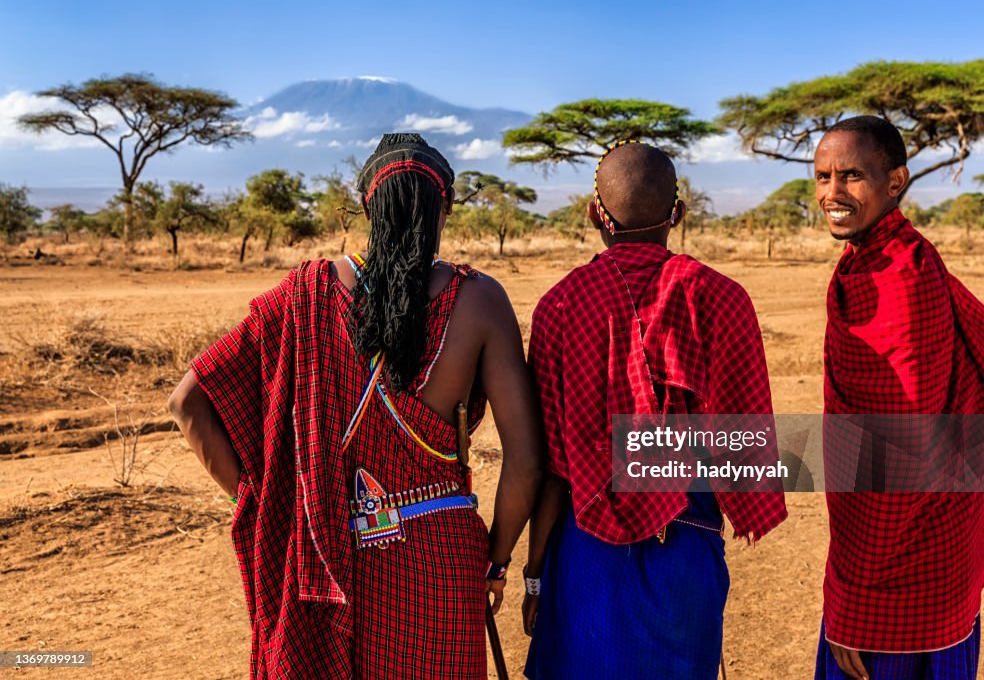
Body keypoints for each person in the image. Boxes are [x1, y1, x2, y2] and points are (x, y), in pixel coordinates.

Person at [167, 133, 543, 679]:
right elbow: (527, 461)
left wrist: (272, 505)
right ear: (447, 207)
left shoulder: (307, 292)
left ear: (366, 205)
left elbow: (186, 403)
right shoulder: (480, 299)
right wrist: (498, 560)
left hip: (331, 552)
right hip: (443, 558)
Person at [521, 141, 788, 679]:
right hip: (686, 542)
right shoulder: (722, 296)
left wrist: (533, 573)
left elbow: (550, 468)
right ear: (679, 213)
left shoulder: (559, 306)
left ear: (595, 213)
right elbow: (744, 447)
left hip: (584, 545)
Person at [813, 116, 984, 679]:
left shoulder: (898, 279)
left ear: (896, 180)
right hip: (940, 554)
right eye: (823, 176)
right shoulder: (892, 258)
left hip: (896, 575)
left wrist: (853, 599)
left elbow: (898, 454)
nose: (832, 194)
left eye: (852, 175)